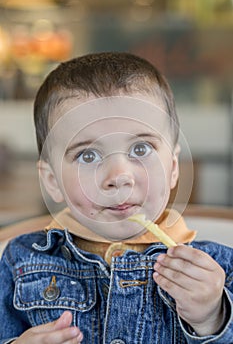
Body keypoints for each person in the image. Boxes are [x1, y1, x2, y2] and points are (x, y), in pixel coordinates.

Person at [0, 52, 232, 344]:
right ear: (52, 181)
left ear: (172, 168)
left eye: (140, 149)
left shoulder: (218, 270)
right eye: (88, 155)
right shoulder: (18, 261)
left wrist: (212, 318)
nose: (119, 176)